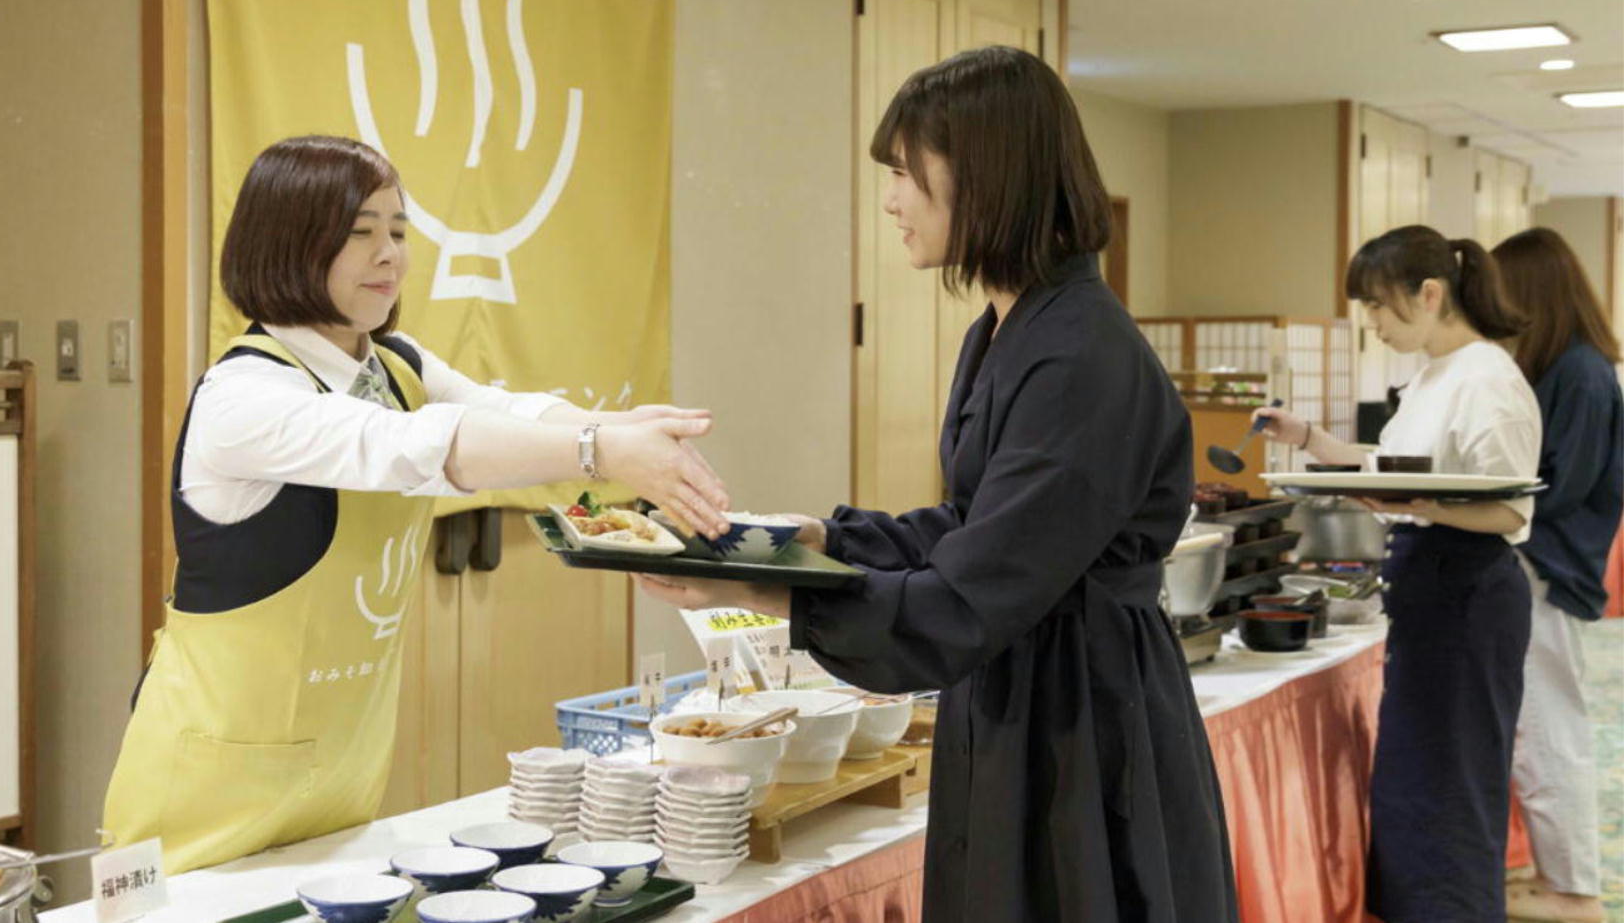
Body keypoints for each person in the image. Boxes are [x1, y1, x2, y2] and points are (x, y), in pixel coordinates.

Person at [638, 46, 1237, 922]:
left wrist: (763, 587)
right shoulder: (1004, 328)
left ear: (988, 174)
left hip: (1083, 716)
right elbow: (973, 523)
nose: (890, 199)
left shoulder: (1082, 355)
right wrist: (823, 541)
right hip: (1017, 689)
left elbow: (966, 598)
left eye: (904, 173)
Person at [103, 135, 730, 873]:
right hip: (206, 794)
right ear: (285, 243)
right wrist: (601, 451)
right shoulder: (244, 394)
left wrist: (622, 429)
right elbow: (413, 447)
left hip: (336, 779)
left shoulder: (396, 361)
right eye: (359, 232)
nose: (388, 255)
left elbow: (502, 410)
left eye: (397, 230)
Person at [1255, 224, 1539, 923]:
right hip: (1430, 587)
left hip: (1469, 592)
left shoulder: (1489, 378)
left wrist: (1418, 504)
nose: (1372, 325)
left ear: (1431, 294)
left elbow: (1508, 511)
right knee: (1415, 780)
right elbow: (1392, 460)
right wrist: (1311, 442)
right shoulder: (1433, 374)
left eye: (1379, 308)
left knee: (1454, 780)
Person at [1490, 227, 1620, 923]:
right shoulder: (1569, 368)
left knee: (1549, 730)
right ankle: (1558, 875)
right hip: (1543, 567)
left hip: (1549, 568)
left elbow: (1558, 486)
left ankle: (1571, 890)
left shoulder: (1581, 373)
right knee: (1539, 727)